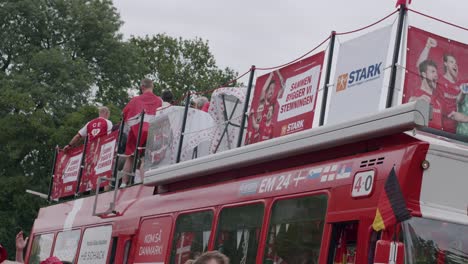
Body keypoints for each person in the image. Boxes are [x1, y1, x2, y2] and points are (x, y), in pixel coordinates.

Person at [417, 37, 467, 133]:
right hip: (439, 129)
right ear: (445, 64)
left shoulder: (461, 84)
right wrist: (427, 47)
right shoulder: (438, 78)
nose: (455, 65)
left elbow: (459, 101)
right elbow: (420, 67)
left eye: (456, 63)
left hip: (456, 132)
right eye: (451, 62)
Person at [120, 78, 162, 187]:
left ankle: (123, 184)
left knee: (130, 157)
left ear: (142, 87)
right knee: (145, 159)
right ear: (152, 87)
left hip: (136, 132)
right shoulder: (159, 101)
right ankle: (145, 185)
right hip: (152, 132)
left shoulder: (135, 100)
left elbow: (124, 114)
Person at [410, 59, 443, 128]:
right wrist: (416, 101)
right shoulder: (416, 95)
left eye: (436, 73)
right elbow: (409, 103)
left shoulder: (439, 97)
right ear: (424, 74)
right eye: (433, 72)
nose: (436, 75)